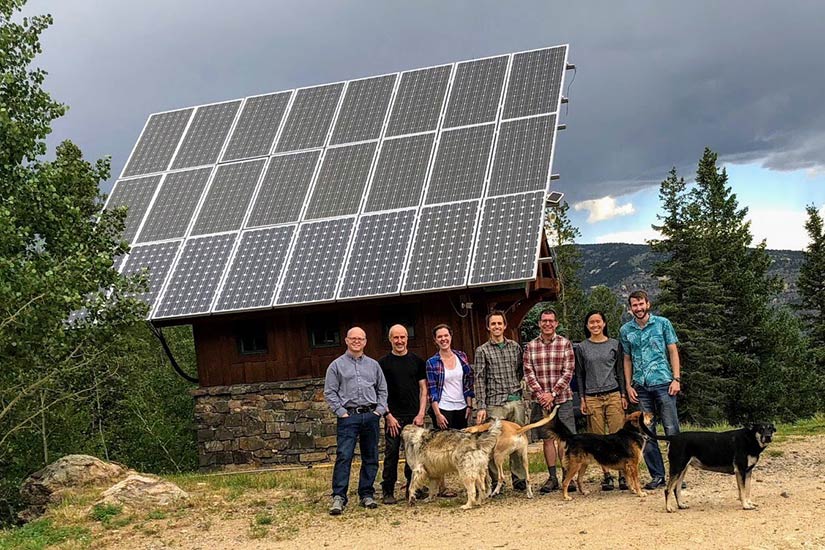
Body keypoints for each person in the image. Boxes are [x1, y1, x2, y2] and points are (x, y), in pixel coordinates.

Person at [620, 290, 682, 490]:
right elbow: (627, 359)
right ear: (630, 308)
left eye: (640, 304)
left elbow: (672, 350)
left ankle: (678, 474)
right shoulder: (625, 330)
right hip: (641, 386)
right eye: (634, 305)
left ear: (648, 303)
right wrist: (628, 385)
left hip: (664, 382)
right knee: (647, 432)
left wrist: (676, 378)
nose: (638, 308)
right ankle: (657, 475)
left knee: (672, 429)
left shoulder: (663, 324)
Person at [324, 327, 388, 515]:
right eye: (353, 338)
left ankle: (366, 494)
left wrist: (379, 411)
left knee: (371, 456)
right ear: (346, 340)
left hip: (370, 416)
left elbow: (382, 389)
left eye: (360, 339)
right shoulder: (336, 365)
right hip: (348, 417)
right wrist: (341, 412)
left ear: (365, 342)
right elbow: (330, 391)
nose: (357, 341)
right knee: (344, 456)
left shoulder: (374, 365)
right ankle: (339, 497)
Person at [523, 307, 577, 493]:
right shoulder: (530, 346)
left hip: (562, 399)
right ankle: (552, 477)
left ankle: (566, 476)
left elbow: (569, 371)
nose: (547, 324)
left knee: (564, 440)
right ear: (539, 324)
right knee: (547, 439)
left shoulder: (565, 344)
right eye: (544, 320)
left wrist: (552, 394)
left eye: (551, 321)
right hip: (541, 401)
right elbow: (528, 373)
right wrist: (541, 395)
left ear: (556, 323)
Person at [474, 310, 527, 493]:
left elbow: (520, 371)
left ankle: (519, 478)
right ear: (488, 327)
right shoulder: (482, 351)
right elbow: (479, 379)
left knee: (517, 441)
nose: (497, 327)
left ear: (505, 326)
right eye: (493, 324)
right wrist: (480, 406)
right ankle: (498, 481)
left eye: (500, 324)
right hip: (495, 403)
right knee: (494, 443)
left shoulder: (515, 347)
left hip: (515, 400)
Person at [575, 310, 629, 491]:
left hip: (613, 393)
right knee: (597, 439)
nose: (595, 325)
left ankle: (623, 474)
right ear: (587, 325)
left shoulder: (615, 344)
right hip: (592, 397)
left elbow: (621, 371)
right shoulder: (582, 348)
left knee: (618, 436)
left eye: (598, 322)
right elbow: (580, 375)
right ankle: (607, 475)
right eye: (591, 322)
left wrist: (623, 395)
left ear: (604, 323)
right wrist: (582, 398)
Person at [378, 324, 427, 505]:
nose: (399, 341)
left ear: (407, 338)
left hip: (414, 416)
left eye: (402, 337)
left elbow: (423, 389)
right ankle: (388, 490)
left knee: (413, 455)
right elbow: (379, 392)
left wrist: (421, 413)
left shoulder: (417, 361)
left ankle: (412, 489)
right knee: (391, 454)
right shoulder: (382, 364)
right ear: (390, 339)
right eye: (395, 338)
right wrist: (388, 415)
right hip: (393, 417)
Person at [426, 324, 474, 431]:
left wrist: (469, 405)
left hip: (462, 407)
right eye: (439, 337)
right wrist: (437, 414)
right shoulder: (432, 362)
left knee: (462, 444)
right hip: (444, 408)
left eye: (446, 335)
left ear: (450, 337)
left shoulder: (461, 356)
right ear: (435, 340)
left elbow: (468, 383)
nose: (443, 339)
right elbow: (432, 391)